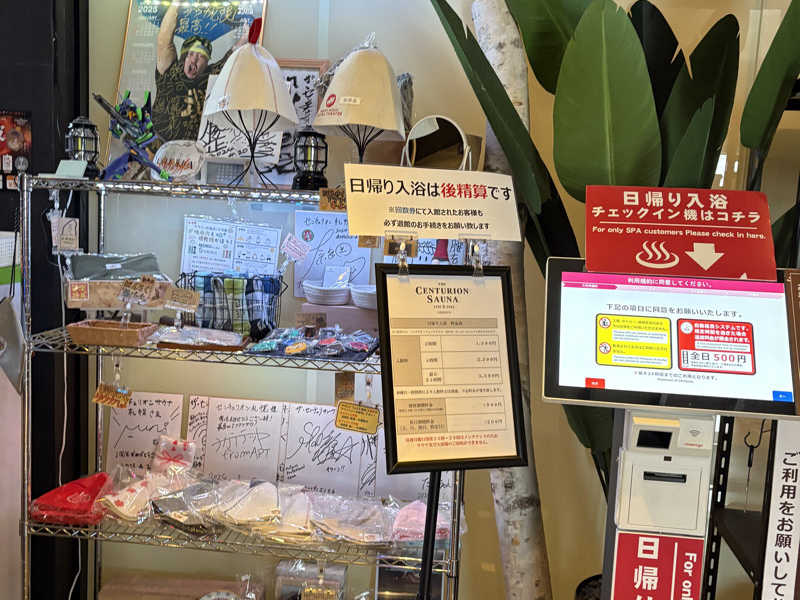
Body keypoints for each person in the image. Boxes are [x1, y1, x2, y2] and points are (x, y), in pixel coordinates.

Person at [152, 4, 246, 141]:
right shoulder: (170, 73)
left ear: (206, 63)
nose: (194, 59)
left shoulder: (209, 76)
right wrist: (176, 4)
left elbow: (233, 56)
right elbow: (164, 41)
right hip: (158, 144)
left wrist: (246, 36)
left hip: (194, 149)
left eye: (201, 56)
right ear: (184, 58)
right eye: (191, 54)